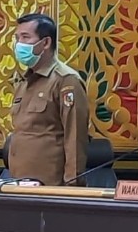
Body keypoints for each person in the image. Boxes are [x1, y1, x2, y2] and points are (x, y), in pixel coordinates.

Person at [9, 13, 89, 185]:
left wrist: (73, 183)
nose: (19, 44)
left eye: (25, 37)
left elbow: (75, 136)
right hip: (19, 182)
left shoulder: (65, 80)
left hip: (50, 184)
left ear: (45, 43)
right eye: (17, 38)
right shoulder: (23, 81)